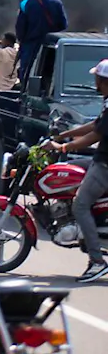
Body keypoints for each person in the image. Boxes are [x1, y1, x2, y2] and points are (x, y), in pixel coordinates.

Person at [43, 59, 108, 282]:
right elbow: (95, 125)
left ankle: (97, 261)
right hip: (100, 159)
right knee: (69, 169)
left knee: (80, 204)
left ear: (104, 81)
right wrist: (63, 135)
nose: (95, 82)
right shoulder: (107, 101)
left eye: (97, 78)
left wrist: (63, 147)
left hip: (106, 164)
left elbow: (95, 136)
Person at [16, 0, 67, 81]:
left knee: (27, 79)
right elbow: (63, 25)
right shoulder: (56, 2)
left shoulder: (26, 4)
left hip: (31, 49)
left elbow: (20, 31)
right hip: (52, 49)